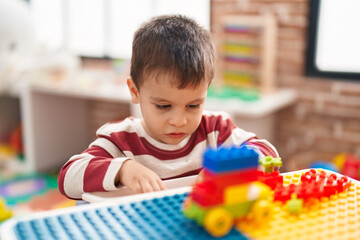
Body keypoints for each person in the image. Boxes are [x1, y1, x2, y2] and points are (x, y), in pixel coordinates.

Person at [58, 15, 279, 200]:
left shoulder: (215, 130)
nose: (179, 121)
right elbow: (67, 178)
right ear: (135, 92)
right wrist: (124, 169)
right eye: (163, 106)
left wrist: (225, 169)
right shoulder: (120, 139)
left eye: (193, 105)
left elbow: (269, 154)